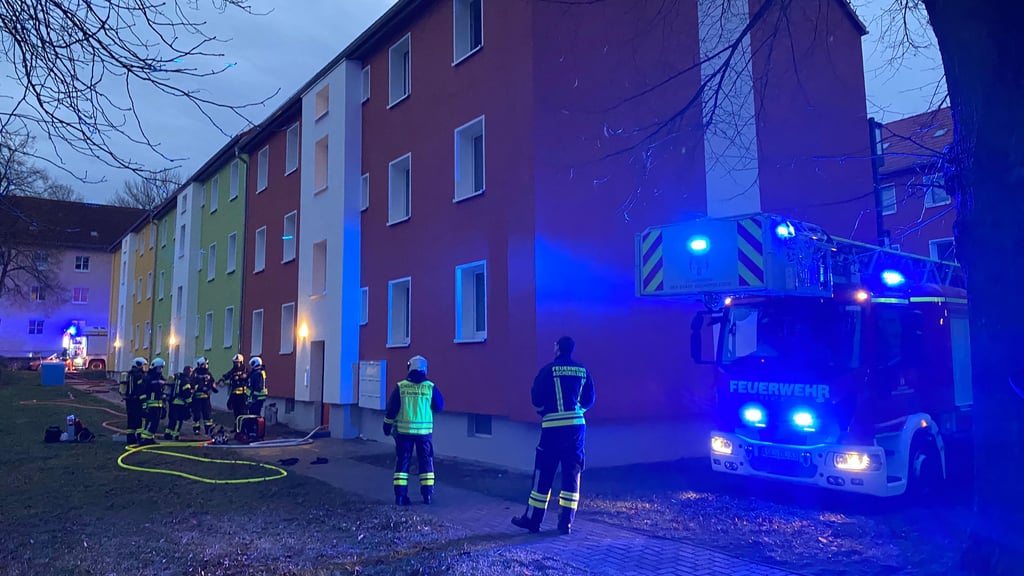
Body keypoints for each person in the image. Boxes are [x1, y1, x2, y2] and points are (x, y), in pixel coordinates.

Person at [512, 336, 595, 535]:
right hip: (576, 429)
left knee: (544, 472)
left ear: (558, 348)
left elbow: (536, 398)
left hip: (552, 428)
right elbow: (589, 399)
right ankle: (565, 522)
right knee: (572, 473)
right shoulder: (583, 370)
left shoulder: (547, 370)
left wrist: (545, 411)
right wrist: (576, 411)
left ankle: (533, 520)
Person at [383, 355, 444, 505]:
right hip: (424, 434)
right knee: (426, 463)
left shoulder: (401, 386)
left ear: (410, 367)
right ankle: (427, 495)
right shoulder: (430, 387)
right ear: (425, 369)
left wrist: (387, 425)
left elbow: (391, 409)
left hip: (404, 433)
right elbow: (439, 407)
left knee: (402, 464)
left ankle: (400, 497)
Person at [118, 357, 147, 444]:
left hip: (129, 400)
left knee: (131, 420)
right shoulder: (139, 375)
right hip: (137, 401)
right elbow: (141, 389)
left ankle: (130, 438)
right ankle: (139, 437)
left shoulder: (130, 374)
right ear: (139, 365)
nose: (144, 368)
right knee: (139, 419)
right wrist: (143, 401)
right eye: (143, 365)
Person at [139, 358, 168, 446]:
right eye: (159, 368)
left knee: (155, 423)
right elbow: (143, 392)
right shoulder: (149, 377)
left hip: (158, 404)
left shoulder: (161, 377)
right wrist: (144, 405)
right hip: (151, 404)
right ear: (154, 367)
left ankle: (150, 438)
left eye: (161, 368)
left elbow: (162, 391)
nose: (160, 370)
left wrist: (164, 405)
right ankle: (145, 439)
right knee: (150, 422)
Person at [163, 365, 193, 441]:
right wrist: (190, 404)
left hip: (172, 402)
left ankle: (168, 434)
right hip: (180, 403)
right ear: (188, 372)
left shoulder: (177, 378)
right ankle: (175, 435)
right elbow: (187, 394)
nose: (191, 373)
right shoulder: (186, 381)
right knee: (178, 420)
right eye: (191, 372)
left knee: (172, 419)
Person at [191, 357, 217, 436]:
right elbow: (193, 383)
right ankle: (196, 430)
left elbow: (212, 382)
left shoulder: (208, 373)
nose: (206, 365)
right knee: (197, 415)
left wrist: (214, 388)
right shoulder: (196, 373)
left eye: (206, 364)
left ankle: (208, 430)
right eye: (204, 364)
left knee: (207, 414)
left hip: (206, 398)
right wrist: (200, 388)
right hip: (197, 398)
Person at [220, 353, 249, 422]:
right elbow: (226, 375)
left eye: (237, 362)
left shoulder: (245, 370)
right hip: (234, 394)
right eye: (235, 363)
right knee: (235, 412)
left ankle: (242, 428)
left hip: (243, 395)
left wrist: (239, 377)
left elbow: (246, 377)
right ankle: (236, 428)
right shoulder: (233, 370)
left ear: (241, 362)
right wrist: (222, 380)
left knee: (242, 412)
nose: (236, 364)